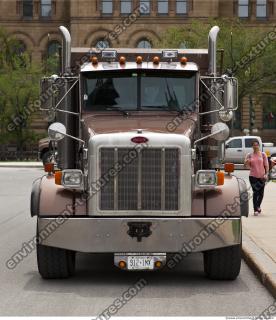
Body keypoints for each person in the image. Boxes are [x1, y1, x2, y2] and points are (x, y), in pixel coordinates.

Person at [244, 140, 269, 216]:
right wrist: (246, 162)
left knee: (261, 193)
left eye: (256, 145)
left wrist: (266, 174)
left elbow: (266, 165)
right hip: (253, 176)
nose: (255, 146)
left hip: (262, 176)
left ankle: (258, 206)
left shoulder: (263, 154)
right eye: (254, 145)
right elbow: (246, 166)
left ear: (259, 146)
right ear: (252, 146)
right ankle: (255, 210)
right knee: (256, 192)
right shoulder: (249, 155)